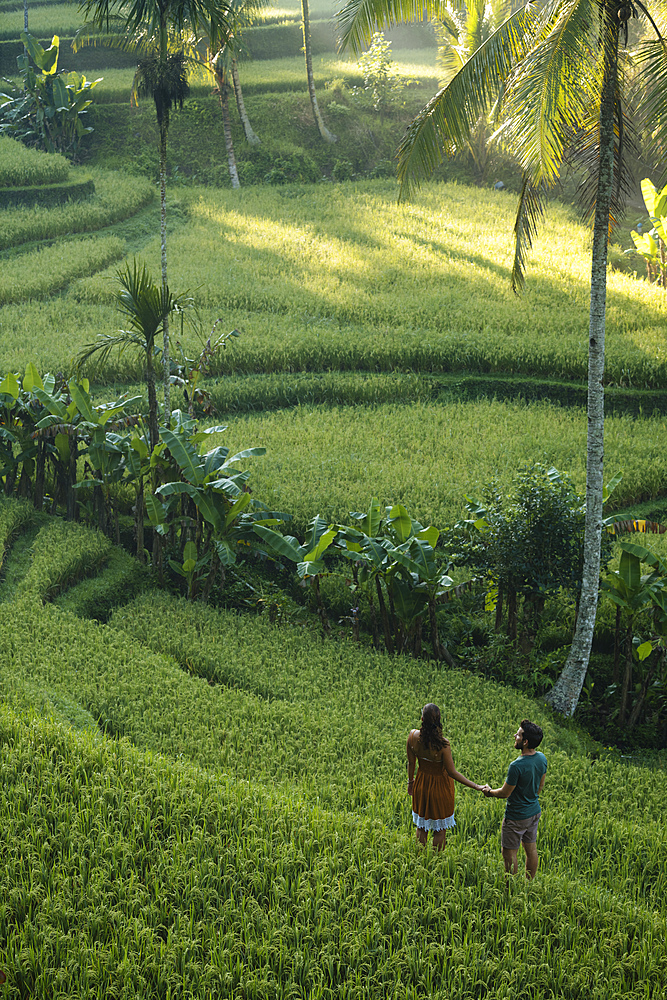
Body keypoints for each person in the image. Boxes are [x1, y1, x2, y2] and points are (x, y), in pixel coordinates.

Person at [407, 703, 486, 851]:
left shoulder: (412, 736)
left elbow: (411, 763)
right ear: (439, 720)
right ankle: (436, 862)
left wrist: (410, 783)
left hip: (421, 784)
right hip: (440, 788)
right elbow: (452, 773)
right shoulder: (443, 745)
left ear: (422, 719)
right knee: (440, 830)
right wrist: (476, 786)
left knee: (421, 826)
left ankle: (419, 860)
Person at [482, 719, 547, 879]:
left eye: (517, 735)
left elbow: (505, 793)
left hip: (516, 816)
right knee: (531, 849)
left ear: (525, 742)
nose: (514, 736)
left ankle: (510, 889)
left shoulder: (516, 766)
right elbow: (540, 786)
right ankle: (528, 883)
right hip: (534, 812)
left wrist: (489, 791)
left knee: (509, 853)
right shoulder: (541, 758)